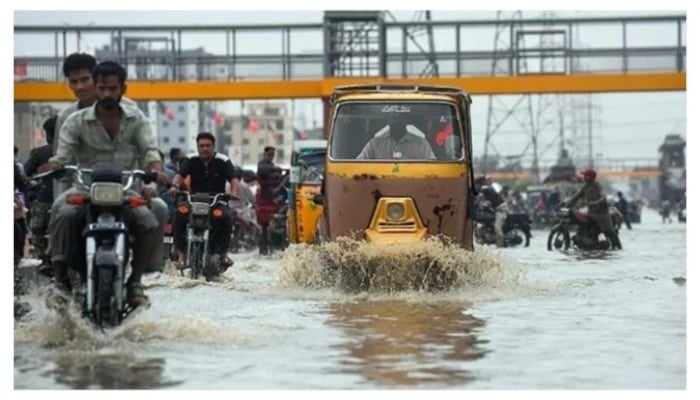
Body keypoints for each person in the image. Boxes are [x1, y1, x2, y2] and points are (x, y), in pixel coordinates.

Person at [43, 61, 170, 307]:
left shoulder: (137, 118)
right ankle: (60, 282)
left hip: (126, 189)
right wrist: (56, 164)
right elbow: (64, 153)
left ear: (123, 88)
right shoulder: (75, 120)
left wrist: (155, 169)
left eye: (113, 89)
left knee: (156, 212)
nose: (107, 95)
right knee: (61, 210)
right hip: (84, 188)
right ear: (96, 88)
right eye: (102, 89)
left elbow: (150, 150)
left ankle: (135, 281)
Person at [170, 132, 240, 275]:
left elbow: (233, 179)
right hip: (194, 199)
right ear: (197, 147)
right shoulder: (190, 160)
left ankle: (224, 254)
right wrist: (174, 186)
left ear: (214, 146)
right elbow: (179, 176)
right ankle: (182, 255)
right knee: (179, 214)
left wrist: (234, 192)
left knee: (226, 217)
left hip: (217, 200)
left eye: (208, 146)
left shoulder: (223, 160)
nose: (204, 149)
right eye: (201, 146)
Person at [24, 116, 58, 268]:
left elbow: (25, 173)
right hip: (73, 196)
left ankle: (43, 258)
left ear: (48, 134)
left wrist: (33, 182)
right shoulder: (79, 152)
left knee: (37, 228)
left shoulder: (40, 152)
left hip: (46, 198)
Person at [566, 169, 622, 250]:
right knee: (580, 220)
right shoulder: (585, 187)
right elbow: (576, 196)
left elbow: (603, 197)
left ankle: (618, 247)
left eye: (585, 176)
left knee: (610, 232)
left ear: (590, 177)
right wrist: (568, 202)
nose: (584, 177)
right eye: (584, 175)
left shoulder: (598, 186)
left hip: (601, 214)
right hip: (591, 213)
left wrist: (596, 202)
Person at [356, 115, 436, 160]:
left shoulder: (421, 144)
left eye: (400, 117)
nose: (397, 120)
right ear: (388, 120)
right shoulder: (374, 144)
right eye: (393, 116)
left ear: (406, 120)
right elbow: (357, 166)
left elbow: (434, 169)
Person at [475, 175, 508, 248]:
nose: (476, 186)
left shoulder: (485, 189)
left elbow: (479, 197)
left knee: (497, 227)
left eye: (477, 184)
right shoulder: (485, 190)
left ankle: (500, 245)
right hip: (494, 209)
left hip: (500, 209)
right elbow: (480, 199)